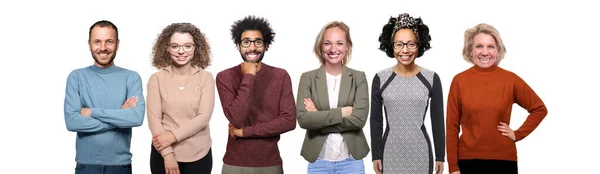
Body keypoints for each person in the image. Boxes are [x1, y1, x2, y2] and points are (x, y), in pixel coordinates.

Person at [446, 23, 548, 174]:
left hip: (504, 161)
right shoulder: (459, 81)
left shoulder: (510, 80)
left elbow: (539, 109)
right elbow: (452, 126)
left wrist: (517, 134)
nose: (485, 52)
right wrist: (453, 167)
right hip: (468, 161)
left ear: (498, 51)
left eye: (491, 47)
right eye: (479, 46)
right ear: (470, 50)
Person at [215, 15, 296, 174]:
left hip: (270, 164)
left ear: (266, 46)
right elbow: (237, 118)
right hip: (235, 164)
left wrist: (245, 132)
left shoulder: (280, 76)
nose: (252, 47)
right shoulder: (225, 77)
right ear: (238, 46)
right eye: (246, 42)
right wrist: (249, 76)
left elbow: (288, 121)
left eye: (258, 42)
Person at [64, 20, 145, 174]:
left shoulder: (131, 77)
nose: (103, 48)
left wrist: (92, 112)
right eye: (97, 42)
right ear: (89, 45)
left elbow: (136, 118)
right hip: (86, 165)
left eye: (109, 42)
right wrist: (120, 116)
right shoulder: (76, 77)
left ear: (117, 44)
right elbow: (72, 122)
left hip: (120, 166)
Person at [370, 13, 445, 174]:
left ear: (419, 45)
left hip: (421, 153)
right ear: (391, 45)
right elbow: (376, 120)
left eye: (411, 44)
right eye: (399, 44)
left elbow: (437, 120)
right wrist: (376, 155)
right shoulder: (381, 78)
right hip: (390, 152)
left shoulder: (431, 78)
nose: (405, 50)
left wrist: (440, 156)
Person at [296, 21, 370, 174]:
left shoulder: (358, 77)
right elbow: (303, 120)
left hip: (351, 162)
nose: (333, 49)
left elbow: (359, 120)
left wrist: (318, 117)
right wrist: (342, 112)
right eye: (327, 43)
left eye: (339, 43)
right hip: (318, 163)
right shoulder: (307, 78)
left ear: (347, 46)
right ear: (320, 46)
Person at [147, 23, 214, 174]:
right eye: (175, 46)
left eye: (187, 46)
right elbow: (154, 119)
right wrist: (168, 155)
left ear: (196, 48)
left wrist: (172, 137)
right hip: (163, 152)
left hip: (199, 153)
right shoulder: (156, 78)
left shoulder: (206, 78)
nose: (181, 51)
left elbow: (203, 117)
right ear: (167, 48)